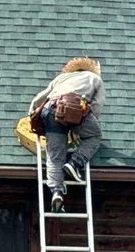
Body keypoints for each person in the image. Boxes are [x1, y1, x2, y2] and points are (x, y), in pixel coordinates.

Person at [28, 57, 105, 212]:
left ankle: (56, 192)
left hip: (51, 111)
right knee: (94, 136)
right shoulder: (94, 78)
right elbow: (97, 105)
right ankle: (75, 163)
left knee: (55, 155)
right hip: (75, 109)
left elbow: (39, 99)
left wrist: (31, 114)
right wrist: (88, 124)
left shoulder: (61, 78)